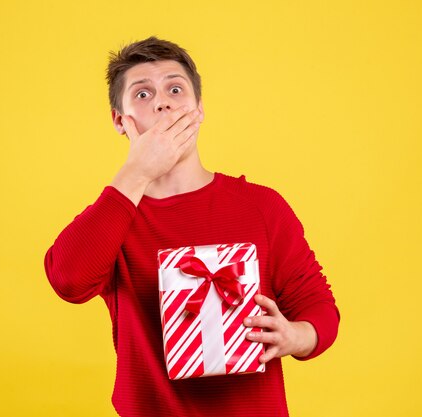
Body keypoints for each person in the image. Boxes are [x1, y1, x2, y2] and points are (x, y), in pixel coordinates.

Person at [44, 36, 340, 417]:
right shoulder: (114, 218)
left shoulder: (262, 206)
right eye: (143, 94)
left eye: (175, 88)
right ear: (120, 120)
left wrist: (296, 336)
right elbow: (67, 280)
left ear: (198, 109)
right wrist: (137, 172)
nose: (163, 101)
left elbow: (318, 307)